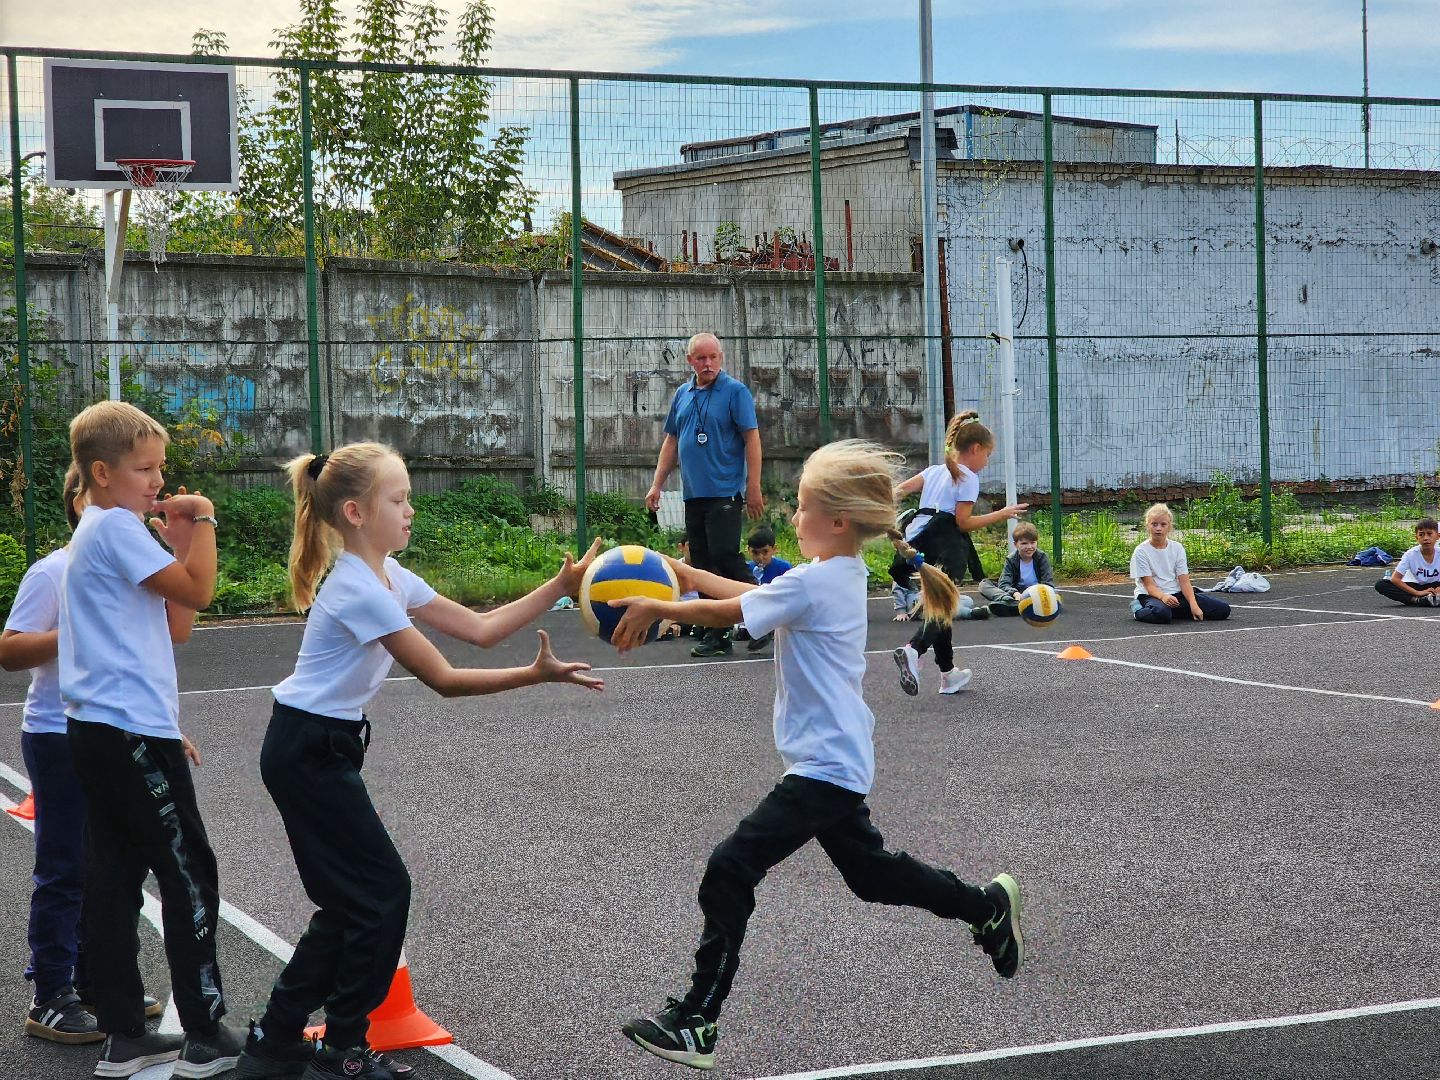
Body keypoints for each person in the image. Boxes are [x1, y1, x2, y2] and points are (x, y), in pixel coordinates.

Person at [610, 440, 1023, 1071]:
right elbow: (750, 598)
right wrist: (682, 571)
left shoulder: (820, 581)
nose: (792, 518)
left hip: (823, 767)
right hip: (834, 758)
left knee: (730, 866)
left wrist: (661, 603)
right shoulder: (836, 574)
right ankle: (984, 907)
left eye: (801, 508)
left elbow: (733, 612)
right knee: (872, 877)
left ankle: (699, 1017)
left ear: (836, 521)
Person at [235, 442, 603, 1080]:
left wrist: (559, 587)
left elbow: (480, 629)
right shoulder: (358, 588)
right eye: (398, 500)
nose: (410, 510)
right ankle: (343, 1047)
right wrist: (537, 674)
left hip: (318, 746)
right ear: (355, 512)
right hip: (308, 750)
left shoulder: (390, 577)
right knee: (383, 894)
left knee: (350, 903)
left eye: (408, 498)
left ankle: (275, 1040)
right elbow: (445, 679)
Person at [58, 401, 247, 1077]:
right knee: (189, 869)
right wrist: (203, 522)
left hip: (101, 730)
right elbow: (199, 593)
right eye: (145, 469)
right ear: (103, 473)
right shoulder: (114, 527)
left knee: (115, 877)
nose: (158, 481)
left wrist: (175, 539)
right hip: (131, 733)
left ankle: (123, 1033)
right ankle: (204, 1031)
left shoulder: (107, 532)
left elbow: (173, 626)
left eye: (161, 468)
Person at [645, 333, 765, 658]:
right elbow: (671, 442)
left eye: (712, 357)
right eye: (701, 358)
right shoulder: (683, 395)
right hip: (693, 494)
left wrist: (753, 486)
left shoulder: (735, 392)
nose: (707, 363)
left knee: (726, 556)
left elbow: (751, 439)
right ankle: (717, 632)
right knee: (702, 565)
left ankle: (767, 615)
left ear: (721, 358)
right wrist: (657, 484)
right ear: (690, 361)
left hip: (725, 491)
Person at [888, 411, 1026, 620]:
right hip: (937, 544)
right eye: (987, 455)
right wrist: (1002, 514)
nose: (987, 462)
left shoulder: (934, 470)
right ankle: (949, 609)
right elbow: (963, 523)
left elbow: (900, 490)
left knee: (964, 598)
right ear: (975, 448)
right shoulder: (968, 478)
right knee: (955, 606)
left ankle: (923, 601)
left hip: (914, 538)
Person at [889, 535, 972, 695]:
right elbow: (964, 520)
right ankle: (914, 650)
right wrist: (1001, 514)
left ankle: (948, 673)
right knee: (943, 611)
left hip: (924, 563)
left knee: (944, 612)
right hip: (935, 559)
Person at [1129, 503, 1231, 624]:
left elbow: (1184, 581)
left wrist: (1193, 604)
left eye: (1163, 524)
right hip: (1152, 595)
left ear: (1169, 527)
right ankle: (1139, 609)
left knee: (1223, 610)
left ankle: (1174, 611)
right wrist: (1163, 597)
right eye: (1154, 524)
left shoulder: (1177, 548)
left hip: (1177, 595)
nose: (1158, 528)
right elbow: (1149, 586)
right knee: (1161, 614)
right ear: (1148, 525)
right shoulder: (1141, 551)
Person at [736, 525, 792, 652]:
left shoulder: (784, 568)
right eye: (755, 553)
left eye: (765, 552)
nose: (760, 557)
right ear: (748, 550)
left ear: (774, 549)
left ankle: (767, 630)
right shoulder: (746, 569)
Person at [988, 522, 1056, 617]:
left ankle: (1013, 605)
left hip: (1037, 593)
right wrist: (1015, 593)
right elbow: (1004, 583)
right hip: (1017, 593)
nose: (1029, 547)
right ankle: (1012, 602)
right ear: (1015, 544)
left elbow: (1048, 583)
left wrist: (1034, 595)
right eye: (1024, 543)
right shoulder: (1011, 560)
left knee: (1053, 593)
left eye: (1032, 542)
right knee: (984, 584)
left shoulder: (1042, 557)